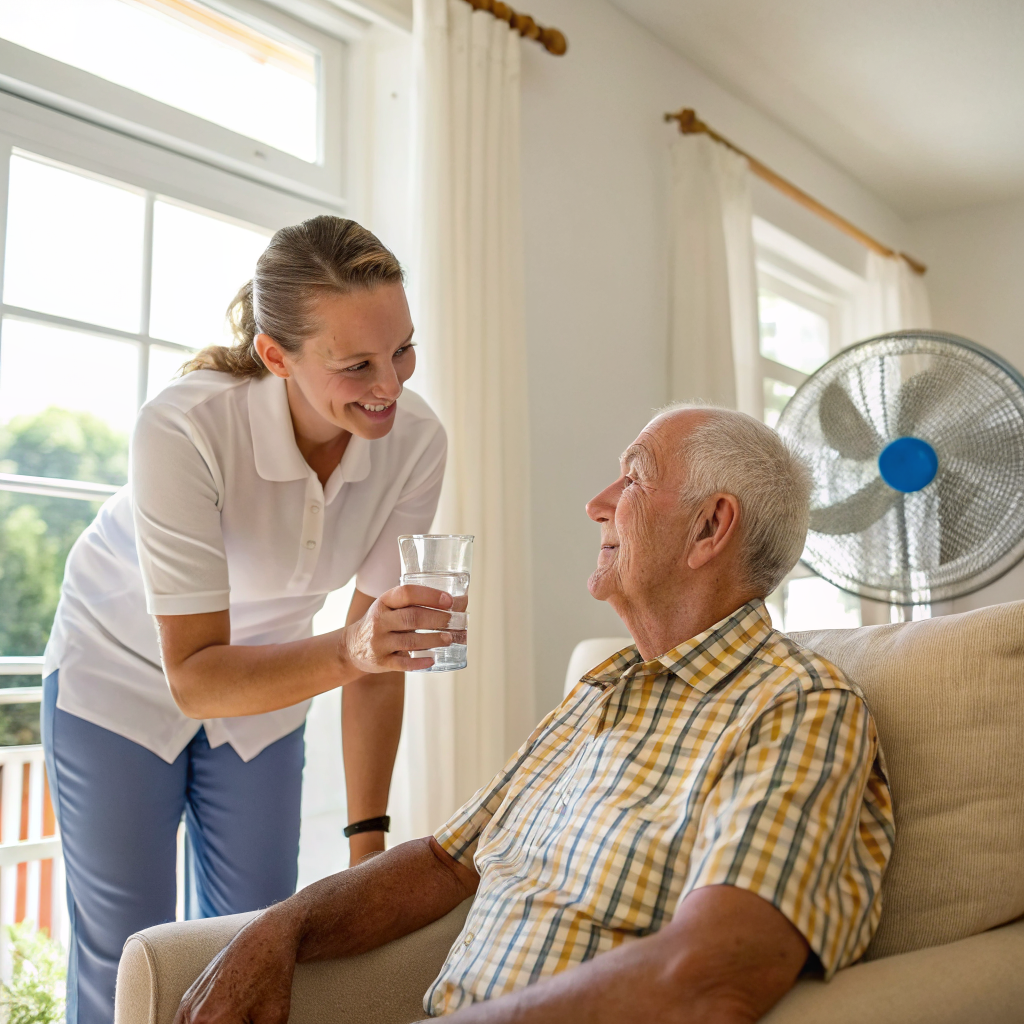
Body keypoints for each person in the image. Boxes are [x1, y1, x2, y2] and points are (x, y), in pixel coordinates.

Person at [173, 405, 894, 1024]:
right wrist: (281, 927)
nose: (598, 503)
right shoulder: (604, 688)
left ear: (710, 527)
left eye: (634, 477)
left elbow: (712, 972)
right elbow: (443, 861)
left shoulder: (796, 707)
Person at [41, 216, 458, 1024]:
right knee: (130, 950)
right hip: (120, 672)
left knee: (256, 940)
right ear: (277, 356)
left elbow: (378, 661)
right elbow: (197, 676)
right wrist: (355, 647)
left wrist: (365, 854)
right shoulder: (185, 426)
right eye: (357, 364)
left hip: (270, 681)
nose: (391, 387)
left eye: (403, 349)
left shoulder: (416, 442)